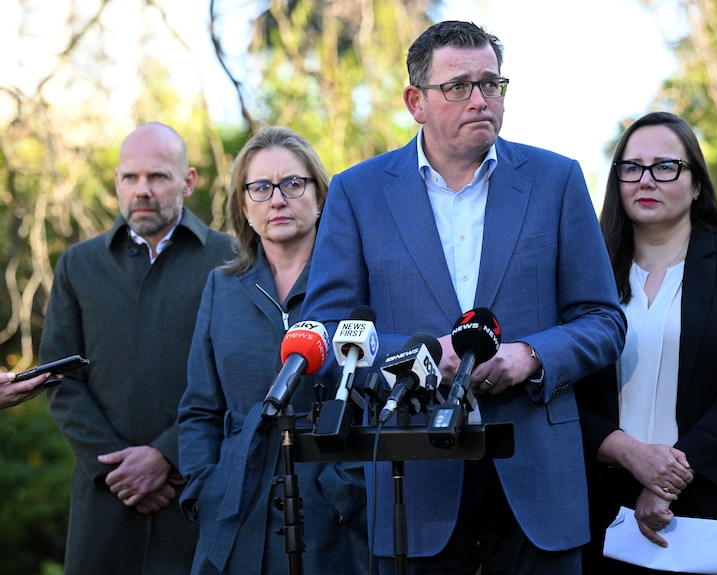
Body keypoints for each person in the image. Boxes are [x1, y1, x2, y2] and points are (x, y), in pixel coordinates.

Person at [302, 20, 626, 574]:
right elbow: (329, 332)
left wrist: (533, 357)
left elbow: (603, 319)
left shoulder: (557, 180)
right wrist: (425, 355)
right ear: (416, 101)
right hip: (413, 476)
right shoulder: (358, 192)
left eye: (492, 84)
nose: (480, 99)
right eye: (458, 86)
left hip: (536, 472)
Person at [575, 111, 717, 574]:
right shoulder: (585, 278)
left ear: (697, 183)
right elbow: (564, 394)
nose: (646, 180)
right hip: (608, 511)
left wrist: (665, 480)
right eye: (632, 167)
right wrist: (630, 454)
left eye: (666, 167)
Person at [39, 122, 235, 575]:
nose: (141, 190)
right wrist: (116, 468)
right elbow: (59, 377)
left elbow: (241, 373)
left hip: (197, 497)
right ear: (116, 183)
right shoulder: (78, 265)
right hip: (107, 502)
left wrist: (166, 456)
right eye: (130, 177)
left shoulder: (230, 261)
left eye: (158, 177)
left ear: (188, 181)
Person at [177, 126, 370, 574]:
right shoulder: (221, 287)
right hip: (234, 508)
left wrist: (342, 493)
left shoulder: (358, 283)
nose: (277, 199)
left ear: (321, 198)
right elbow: (199, 409)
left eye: (293, 184)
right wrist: (206, 487)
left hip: (333, 514)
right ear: (244, 207)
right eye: (260, 188)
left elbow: (378, 401)